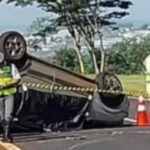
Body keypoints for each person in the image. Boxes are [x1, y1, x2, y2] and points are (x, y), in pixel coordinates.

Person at [0, 51, 21, 142]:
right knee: (1, 116)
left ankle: (7, 136)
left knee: (8, 115)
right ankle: (4, 134)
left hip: (9, 93)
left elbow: (17, 79)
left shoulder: (11, 67)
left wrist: (6, 85)